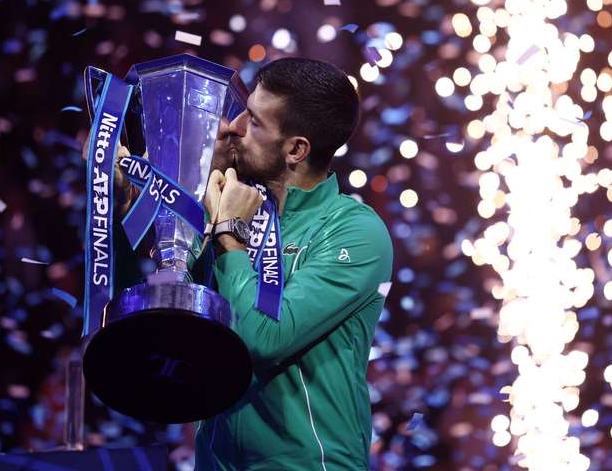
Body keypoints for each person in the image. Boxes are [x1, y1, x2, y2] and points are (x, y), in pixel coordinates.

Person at [95, 57, 393, 470]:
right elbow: (153, 303)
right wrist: (124, 207)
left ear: (295, 149)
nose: (231, 127)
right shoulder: (226, 203)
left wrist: (230, 237)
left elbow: (262, 340)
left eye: (253, 121)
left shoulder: (354, 232)